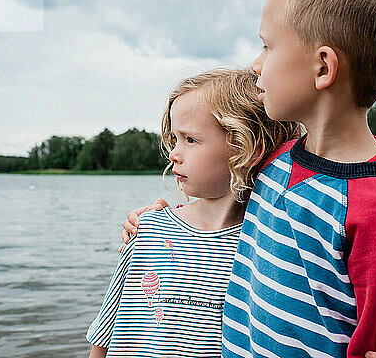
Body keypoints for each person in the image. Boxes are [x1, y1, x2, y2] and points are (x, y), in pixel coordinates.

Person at [121, 0, 376, 357]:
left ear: (323, 67)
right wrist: (154, 219)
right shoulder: (273, 163)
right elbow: (212, 191)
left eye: (268, 46)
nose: (256, 65)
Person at [86, 68, 301, 357]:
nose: (174, 153)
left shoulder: (267, 244)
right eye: (174, 139)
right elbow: (104, 334)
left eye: (190, 139)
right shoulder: (147, 228)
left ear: (245, 147)